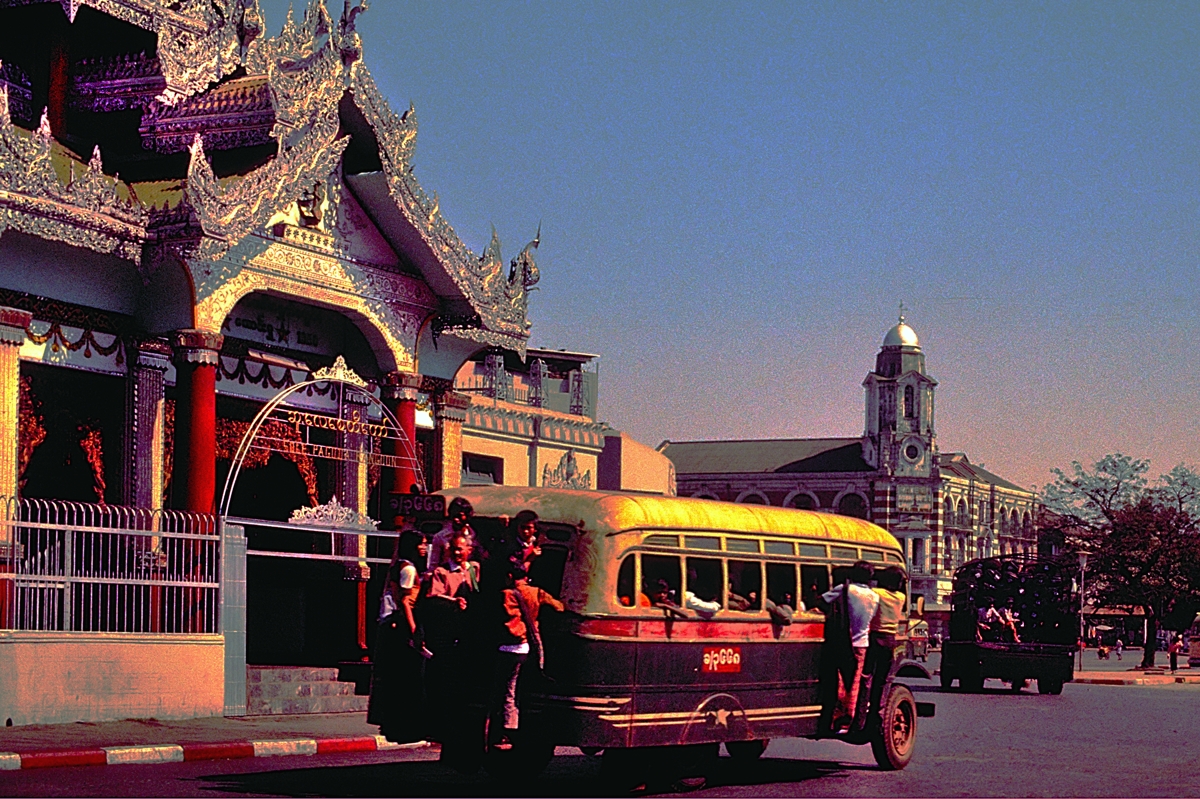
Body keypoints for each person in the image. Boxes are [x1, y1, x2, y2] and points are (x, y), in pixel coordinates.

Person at [488, 558, 565, 750]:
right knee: (517, 687)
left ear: (510, 576)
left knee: (507, 690)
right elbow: (559, 607)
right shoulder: (536, 592)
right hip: (527, 648)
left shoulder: (505, 595)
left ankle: (507, 731)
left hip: (508, 648)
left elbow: (501, 621)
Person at [368, 530, 430, 743]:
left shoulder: (398, 566)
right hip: (403, 624)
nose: (425, 548)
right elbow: (404, 601)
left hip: (396, 625)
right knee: (408, 676)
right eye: (422, 544)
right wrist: (414, 629)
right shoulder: (409, 569)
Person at [819, 562, 880, 734]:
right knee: (854, 683)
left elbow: (823, 600)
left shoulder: (845, 589)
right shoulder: (874, 596)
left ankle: (837, 717)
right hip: (862, 644)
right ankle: (847, 720)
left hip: (842, 640)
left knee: (839, 681)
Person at [863, 566, 906, 734]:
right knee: (881, 679)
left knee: (867, 677)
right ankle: (877, 714)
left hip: (875, 638)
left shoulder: (877, 593)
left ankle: (861, 712)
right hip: (890, 640)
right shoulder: (901, 597)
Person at [428, 497, 476, 568]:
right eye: (453, 515)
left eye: (459, 516)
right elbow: (434, 564)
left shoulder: (473, 535)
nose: (456, 519)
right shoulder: (440, 537)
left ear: (467, 516)